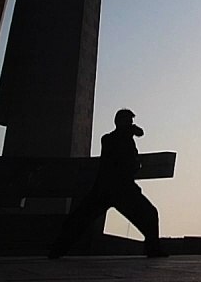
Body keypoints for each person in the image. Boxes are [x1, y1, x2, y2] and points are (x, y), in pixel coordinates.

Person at [49, 109, 166, 258]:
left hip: (119, 190)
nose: (131, 124)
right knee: (80, 218)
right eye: (128, 121)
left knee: (149, 214)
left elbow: (137, 142)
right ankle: (57, 249)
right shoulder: (110, 139)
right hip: (110, 189)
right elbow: (122, 162)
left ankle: (153, 249)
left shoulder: (126, 138)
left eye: (131, 122)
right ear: (120, 122)